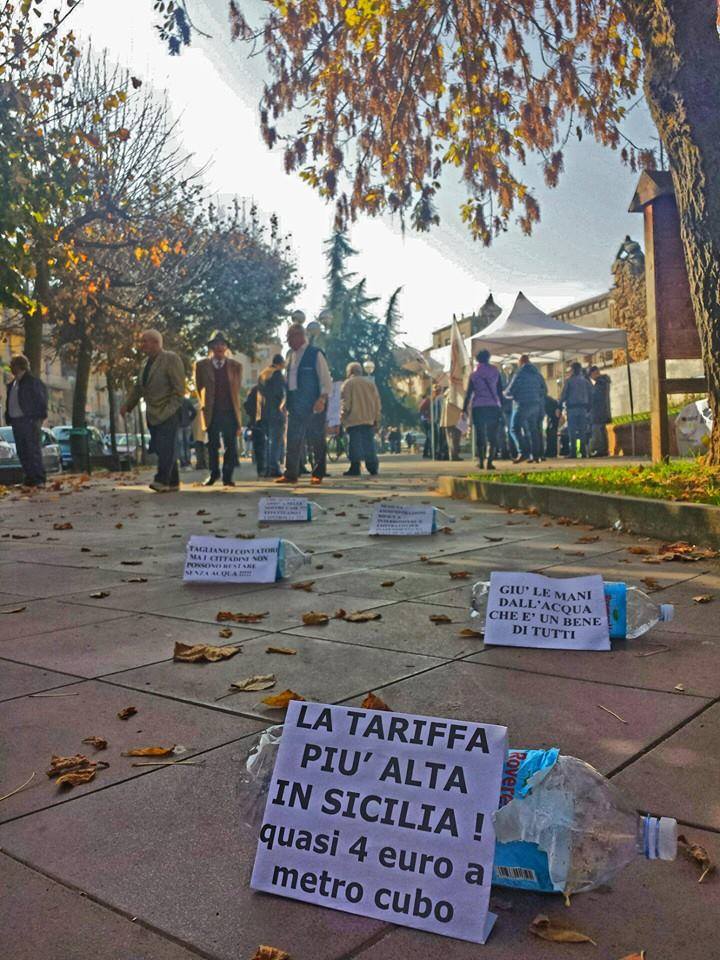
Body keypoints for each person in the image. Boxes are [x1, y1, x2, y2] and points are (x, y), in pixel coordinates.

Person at [120, 330, 185, 492]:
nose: (142, 346)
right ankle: (173, 482)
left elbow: (179, 389)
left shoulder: (170, 359)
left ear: (156, 342)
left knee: (166, 448)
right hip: (152, 413)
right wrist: (128, 405)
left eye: (145, 342)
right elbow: (138, 389)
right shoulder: (145, 364)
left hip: (169, 412)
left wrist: (170, 409)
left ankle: (161, 480)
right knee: (163, 448)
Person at [276, 322, 332, 485]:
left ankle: (318, 473)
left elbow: (325, 379)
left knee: (316, 439)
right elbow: (290, 380)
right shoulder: (290, 356)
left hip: (313, 403)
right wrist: (286, 400)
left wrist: (322, 399)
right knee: (292, 438)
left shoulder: (315, 354)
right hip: (295, 403)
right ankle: (291, 474)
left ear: (300, 336)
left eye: (290, 337)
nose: (288, 341)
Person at [194, 332, 243, 487]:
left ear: (226, 347)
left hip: (229, 411)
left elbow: (236, 390)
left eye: (222, 344)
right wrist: (205, 404)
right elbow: (198, 387)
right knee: (212, 445)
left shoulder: (236, 366)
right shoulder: (201, 365)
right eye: (216, 344)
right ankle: (214, 473)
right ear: (211, 348)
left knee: (230, 445)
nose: (219, 347)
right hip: (212, 411)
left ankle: (228, 476)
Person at [4, 354, 48, 487]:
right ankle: (29, 477)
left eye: (13, 365)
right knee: (22, 450)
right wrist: (8, 417)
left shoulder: (32, 381)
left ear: (19, 366)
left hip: (28, 421)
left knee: (32, 450)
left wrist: (37, 418)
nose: (11, 368)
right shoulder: (13, 384)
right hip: (16, 421)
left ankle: (39, 478)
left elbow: (41, 400)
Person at [463, 349, 503, 469]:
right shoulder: (495, 371)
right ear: (488, 358)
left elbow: (469, 393)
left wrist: (464, 408)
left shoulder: (474, 374)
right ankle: (490, 462)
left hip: (478, 407)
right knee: (492, 435)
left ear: (477, 360)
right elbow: (500, 390)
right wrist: (502, 406)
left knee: (480, 434)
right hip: (493, 406)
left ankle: (481, 461)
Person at [340, 361, 381, 476]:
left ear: (349, 372)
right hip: (368, 419)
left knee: (354, 444)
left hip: (353, 420)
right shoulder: (370, 384)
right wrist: (376, 418)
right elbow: (377, 402)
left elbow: (346, 404)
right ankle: (372, 467)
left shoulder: (347, 384)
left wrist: (342, 417)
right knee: (369, 443)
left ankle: (355, 467)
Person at [505, 354, 547, 464]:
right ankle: (536, 456)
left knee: (514, 428)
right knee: (533, 430)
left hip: (522, 404)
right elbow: (544, 390)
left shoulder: (520, 373)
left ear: (521, 362)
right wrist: (537, 396)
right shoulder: (537, 374)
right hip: (536, 404)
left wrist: (505, 394)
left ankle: (523, 452)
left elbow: (511, 390)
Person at [257, 353, 286, 477]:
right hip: (275, 410)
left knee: (268, 441)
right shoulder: (277, 374)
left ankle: (267, 467)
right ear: (280, 363)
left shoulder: (263, 374)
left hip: (263, 411)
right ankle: (274, 467)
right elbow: (279, 392)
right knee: (276, 440)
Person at [560, 361, 593, 458]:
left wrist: (559, 406)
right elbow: (591, 395)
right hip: (583, 409)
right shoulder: (586, 382)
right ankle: (583, 452)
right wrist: (589, 407)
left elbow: (564, 395)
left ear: (573, 370)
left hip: (572, 409)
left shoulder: (569, 381)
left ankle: (573, 452)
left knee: (572, 431)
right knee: (582, 431)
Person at [589, 365, 612, 456]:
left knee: (597, 431)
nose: (591, 378)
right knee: (602, 431)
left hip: (598, 411)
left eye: (591, 375)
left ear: (594, 373)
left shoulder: (600, 383)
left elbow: (595, 398)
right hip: (603, 410)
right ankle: (604, 450)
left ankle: (600, 450)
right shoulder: (605, 382)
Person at [544, 394, 561, 458]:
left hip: (553, 414)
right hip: (554, 413)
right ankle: (552, 452)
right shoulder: (547, 398)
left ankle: (551, 452)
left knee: (551, 433)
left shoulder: (543, 399)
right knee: (551, 432)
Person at [419, 393, 432, 458]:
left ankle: (426, 452)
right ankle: (427, 452)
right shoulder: (427, 400)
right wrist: (427, 416)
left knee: (428, 437)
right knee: (429, 437)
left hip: (424, 420)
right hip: (427, 420)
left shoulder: (423, 401)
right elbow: (422, 409)